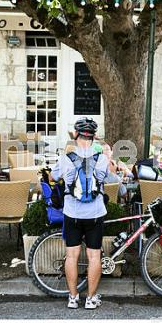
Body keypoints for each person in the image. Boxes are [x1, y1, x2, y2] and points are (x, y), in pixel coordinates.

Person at [50, 117, 109, 310]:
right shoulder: (101, 158)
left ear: (76, 135)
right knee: (94, 257)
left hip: (72, 212)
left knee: (72, 256)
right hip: (95, 212)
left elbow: (53, 176)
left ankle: (73, 297)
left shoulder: (66, 158)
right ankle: (91, 299)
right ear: (93, 136)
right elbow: (104, 179)